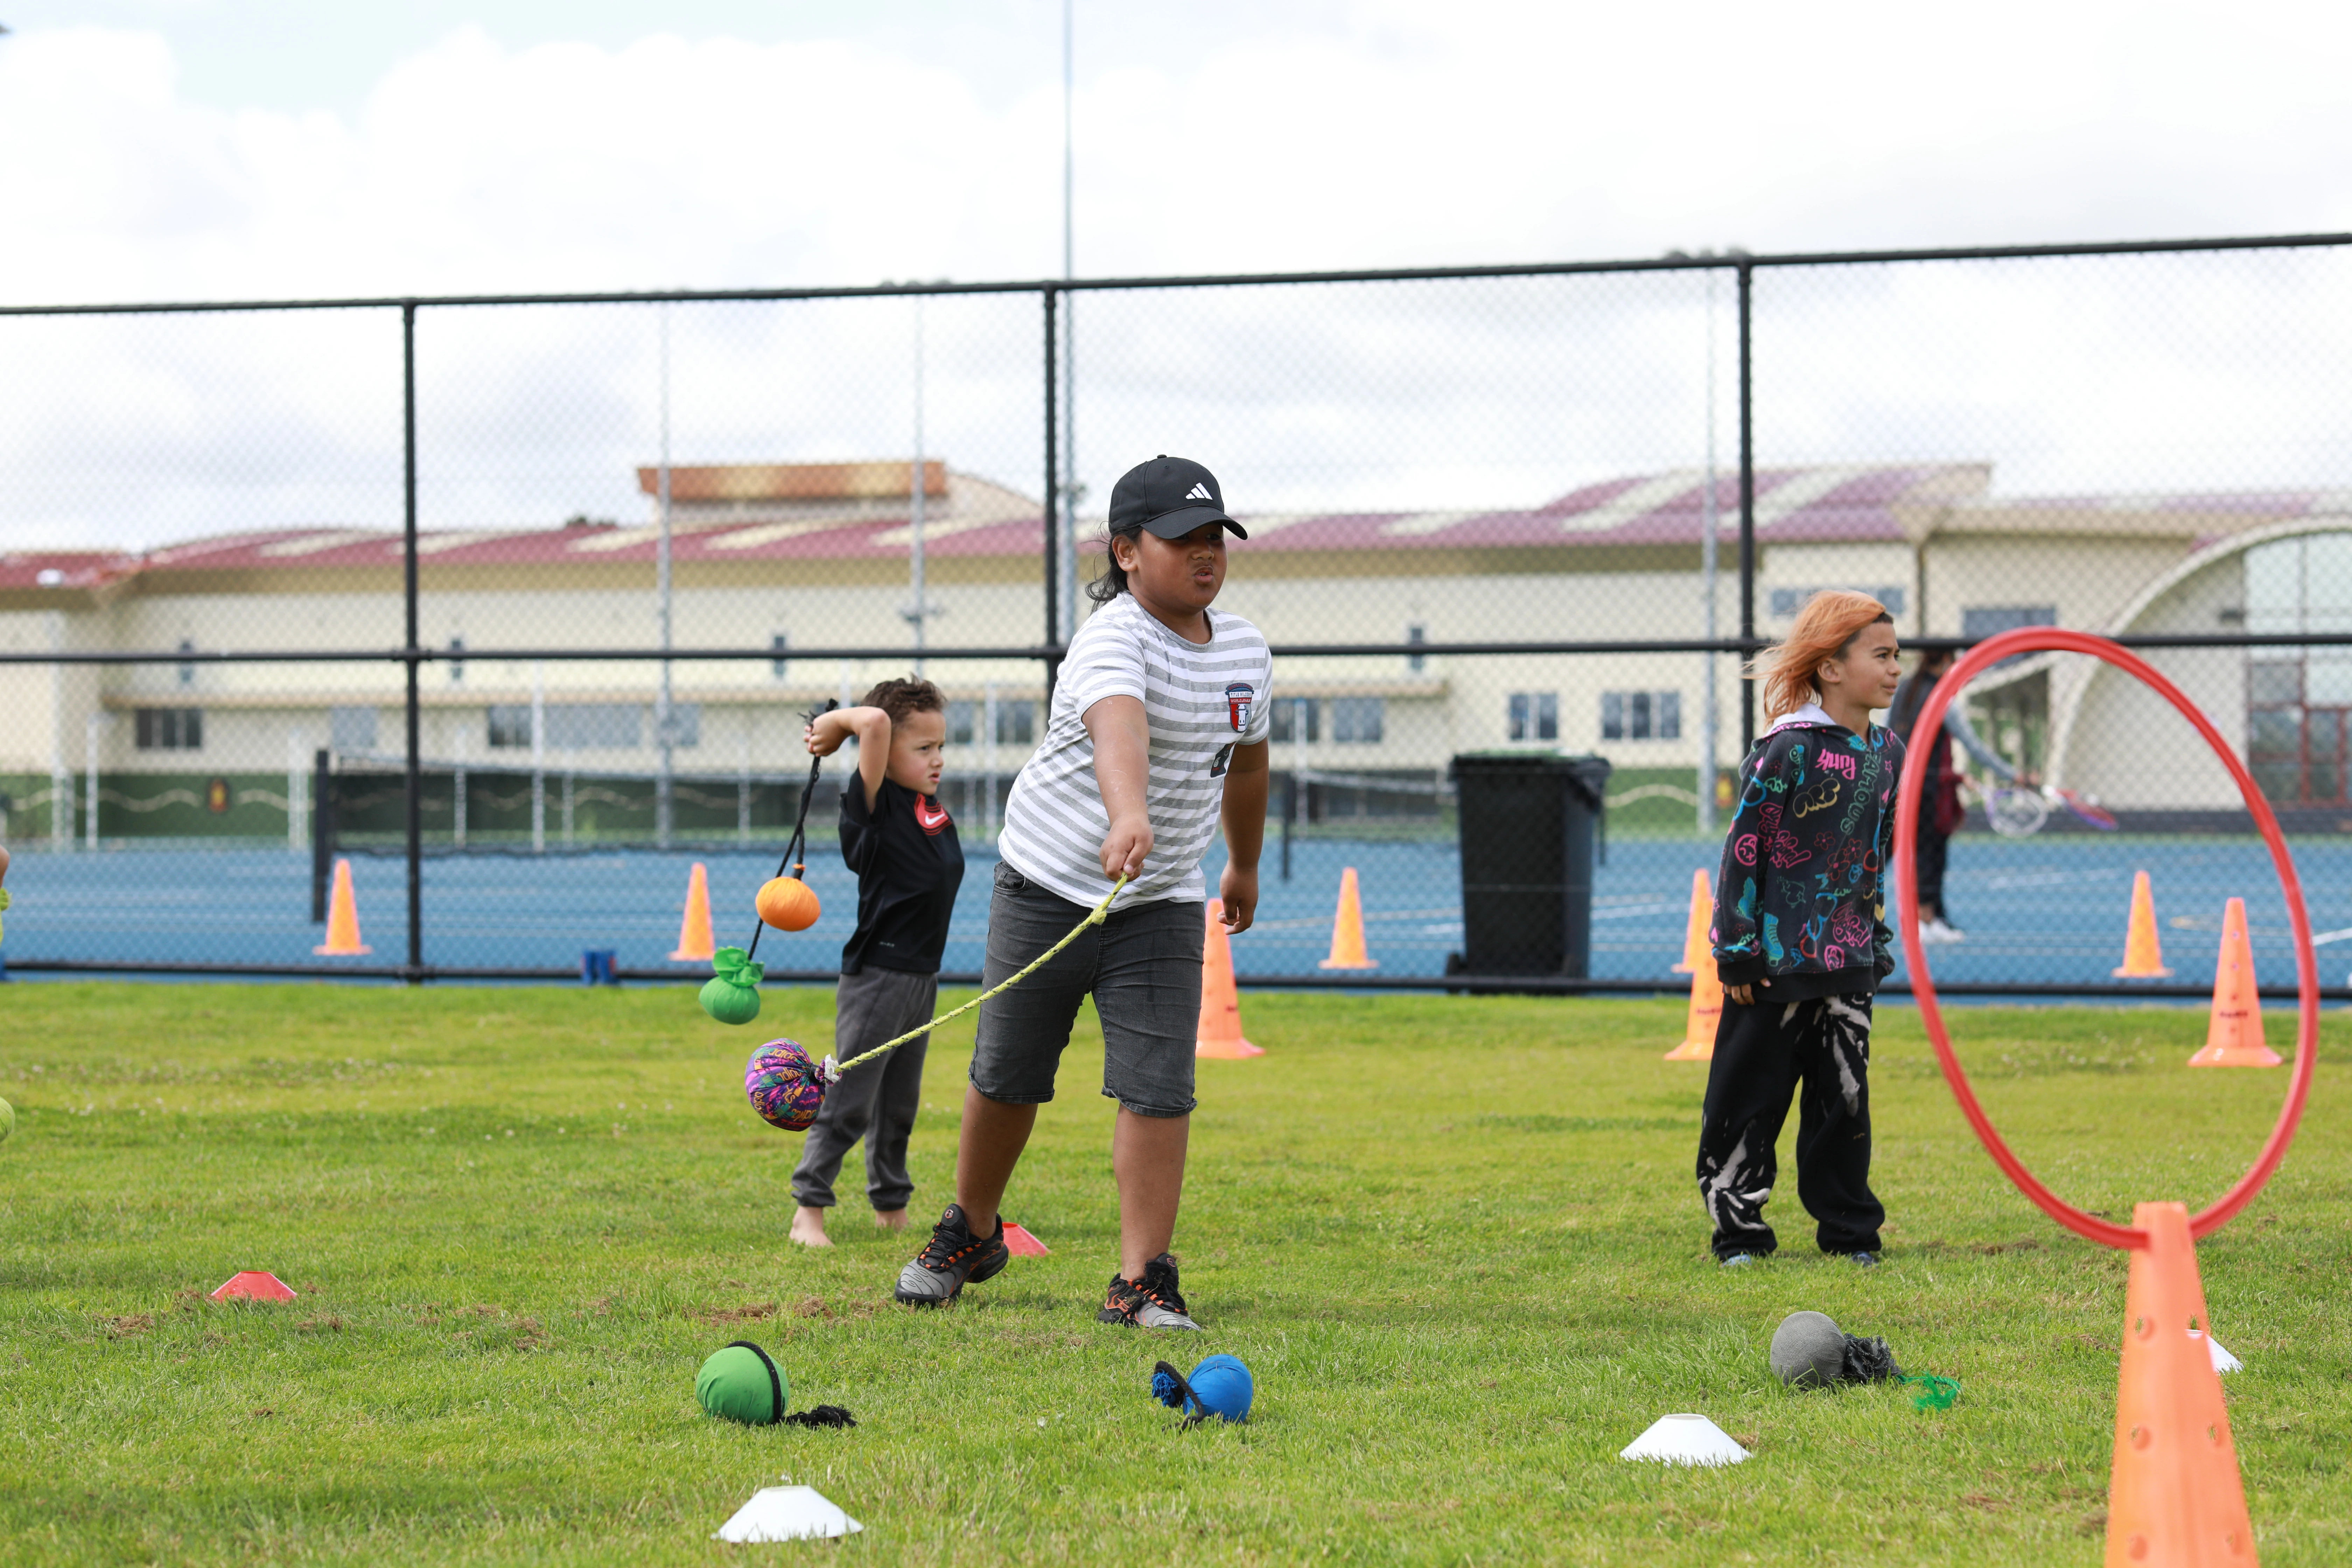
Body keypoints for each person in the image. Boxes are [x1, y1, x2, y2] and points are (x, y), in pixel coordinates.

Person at [892, 455, 1272, 1330]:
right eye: (1183, 540)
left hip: (1163, 899)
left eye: (1215, 538)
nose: (1205, 554)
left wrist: (1242, 863)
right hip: (1050, 884)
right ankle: (972, 1232)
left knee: (1159, 1088)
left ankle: (1143, 1279)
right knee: (1007, 1075)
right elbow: (1119, 731)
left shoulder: (1247, 650)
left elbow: (1248, 763)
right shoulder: (1112, 638)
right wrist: (1128, 813)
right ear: (1128, 552)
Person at [1698, 591, 1907, 1269]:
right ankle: (1739, 1232)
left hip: (1846, 957)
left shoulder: (1888, 751)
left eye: (1896, 654)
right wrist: (1737, 950)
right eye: (1881, 655)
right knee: (1750, 1097)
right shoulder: (1787, 749)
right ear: (1832, 666)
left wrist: (1874, 940)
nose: (1895, 668)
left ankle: (1850, 1231)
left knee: (1844, 1100)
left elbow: (1880, 849)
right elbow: (1745, 849)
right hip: (1772, 964)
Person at [788, 679, 963, 1248]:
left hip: (921, 976)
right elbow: (875, 725)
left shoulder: (927, 808)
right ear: (884, 755)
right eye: (923, 749)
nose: (937, 759)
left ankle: (891, 1205)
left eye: (941, 746)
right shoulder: (873, 808)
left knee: (899, 1103)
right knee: (848, 1100)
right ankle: (807, 1210)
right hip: (878, 977)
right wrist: (833, 727)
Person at [1886, 648, 2022, 944]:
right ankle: (1924, 920)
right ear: (1947, 661)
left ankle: (1928, 918)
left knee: (1884, 853)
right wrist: (2013, 775)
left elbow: (1886, 733)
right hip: (1926, 791)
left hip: (1896, 785)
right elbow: (1973, 745)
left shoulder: (1903, 690)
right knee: (1929, 854)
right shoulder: (1940, 696)